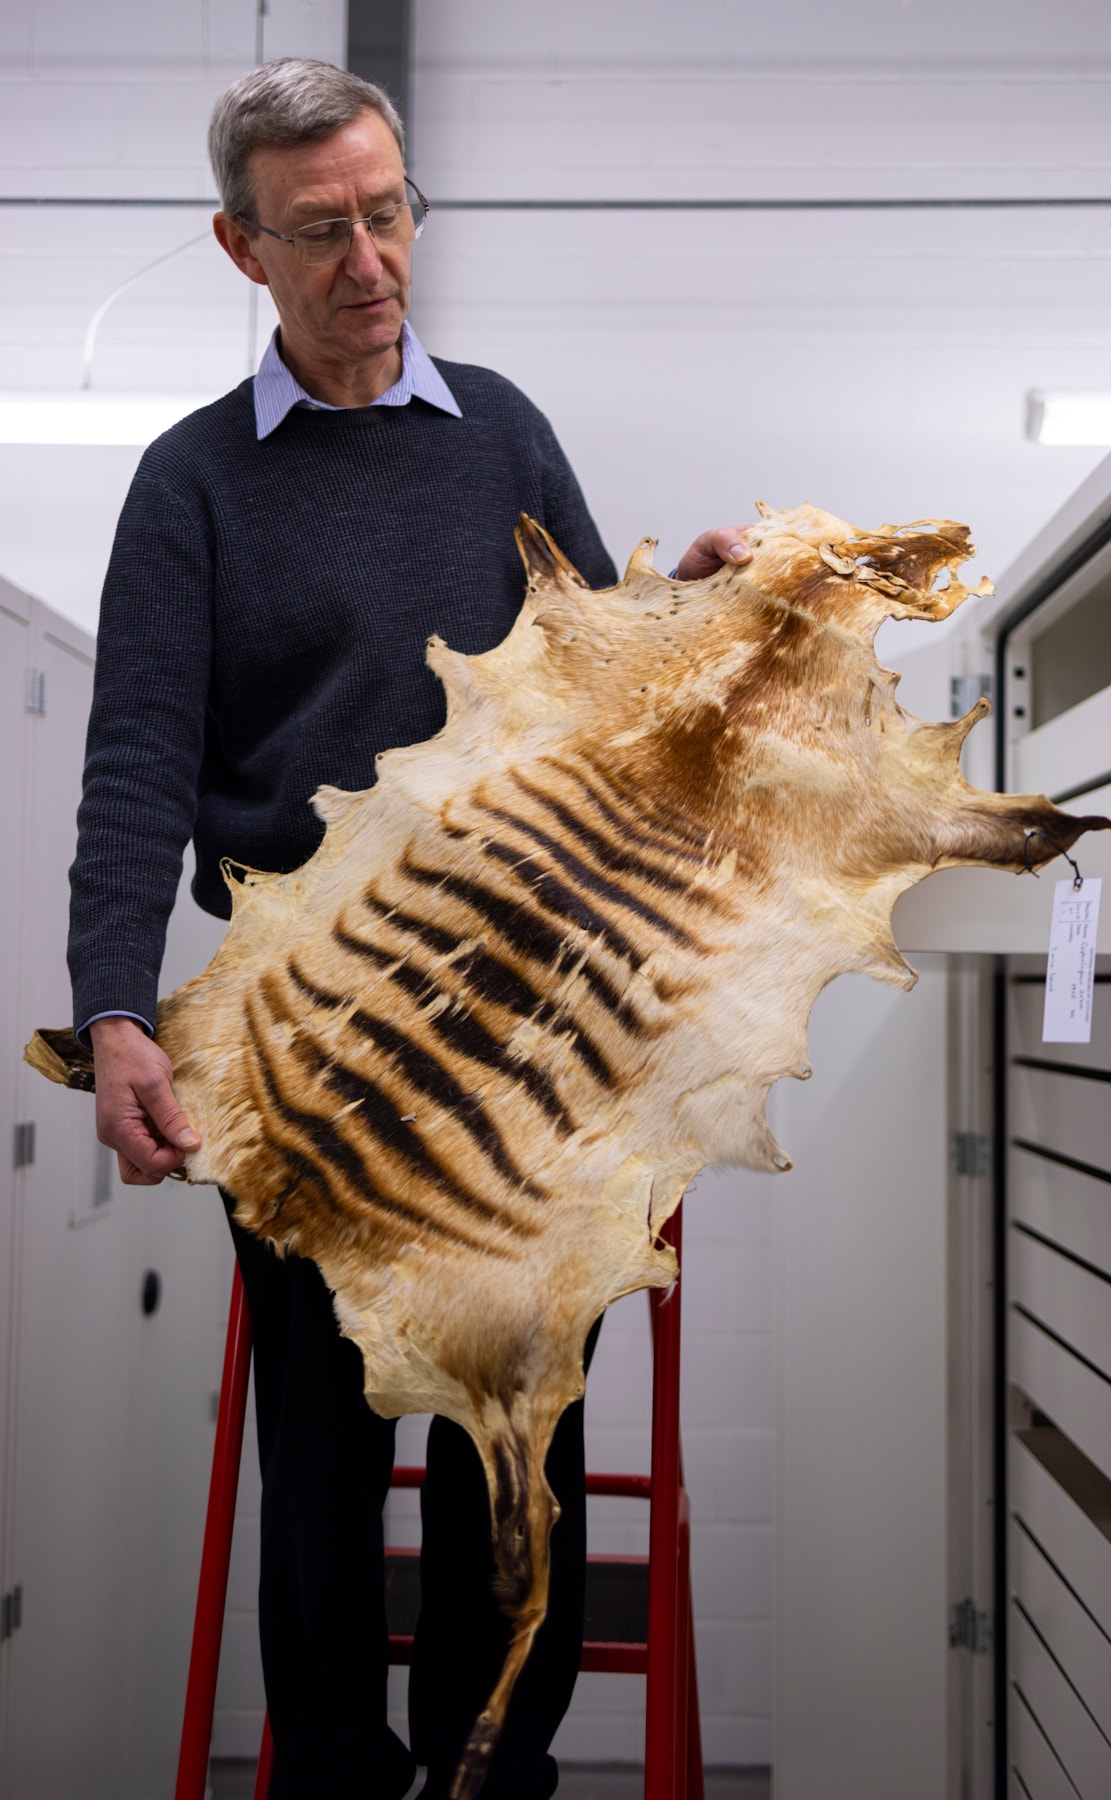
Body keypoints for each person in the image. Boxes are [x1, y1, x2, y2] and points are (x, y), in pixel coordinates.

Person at [69, 58, 751, 1800]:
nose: (369, 258)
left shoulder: (504, 430)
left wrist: (698, 600)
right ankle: (333, 1780)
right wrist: (116, 1015)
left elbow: (602, 686)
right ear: (245, 249)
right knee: (322, 1461)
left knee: (510, 1447)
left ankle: (490, 1772)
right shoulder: (189, 486)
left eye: (388, 213)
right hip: (301, 1053)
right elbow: (139, 761)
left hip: (530, 1043)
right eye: (322, 230)